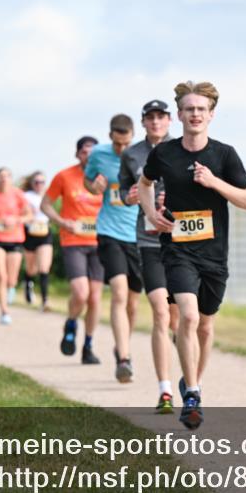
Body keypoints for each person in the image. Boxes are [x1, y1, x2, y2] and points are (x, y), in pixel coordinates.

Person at [138, 81, 246, 430]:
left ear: (211, 115)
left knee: (205, 324)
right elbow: (145, 184)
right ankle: (191, 394)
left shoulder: (224, 155)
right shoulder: (165, 153)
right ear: (179, 115)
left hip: (215, 254)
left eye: (201, 109)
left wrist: (214, 183)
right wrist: (150, 214)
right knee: (186, 317)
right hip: (177, 250)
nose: (195, 115)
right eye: (189, 109)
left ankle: (194, 382)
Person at [121, 99, 180, 413]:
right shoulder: (132, 154)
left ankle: (181, 355)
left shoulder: (185, 148)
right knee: (159, 311)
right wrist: (131, 196)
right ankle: (165, 390)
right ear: (143, 122)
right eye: (150, 118)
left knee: (177, 316)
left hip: (182, 241)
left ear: (170, 120)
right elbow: (122, 194)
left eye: (161, 117)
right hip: (148, 241)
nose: (156, 122)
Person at [85, 115, 142, 383]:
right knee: (118, 292)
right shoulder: (98, 154)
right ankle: (124, 359)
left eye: (126, 143)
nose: (122, 150)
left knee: (133, 302)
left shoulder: (143, 154)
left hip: (139, 235)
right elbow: (88, 180)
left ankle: (123, 345)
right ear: (110, 137)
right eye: (118, 144)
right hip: (109, 231)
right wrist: (93, 186)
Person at [42, 136, 104, 365]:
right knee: (81, 293)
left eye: (94, 152)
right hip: (73, 241)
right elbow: (45, 205)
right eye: (86, 152)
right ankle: (70, 323)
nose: (90, 156)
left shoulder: (105, 177)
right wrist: (61, 222)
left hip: (100, 241)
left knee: (95, 298)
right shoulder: (64, 176)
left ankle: (88, 345)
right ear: (78, 154)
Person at [0, 167, 31, 325]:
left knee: (11, 278)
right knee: (1, 276)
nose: (4, 179)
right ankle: (4, 311)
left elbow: (29, 215)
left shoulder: (18, 194)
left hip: (15, 239)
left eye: (7, 176)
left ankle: (12, 287)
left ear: (11, 178)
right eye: (1, 176)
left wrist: (15, 220)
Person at [21, 171, 54, 311]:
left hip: (44, 232)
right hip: (30, 233)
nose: (39, 185)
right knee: (31, 268)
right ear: (32, 183)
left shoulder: (49, 196)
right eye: (36, 182)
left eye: (42, 182)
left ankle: (45, 300)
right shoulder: (26, 196)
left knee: (44, 268)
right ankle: (28, 284)